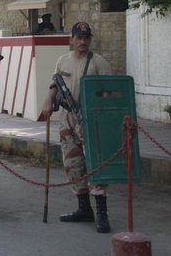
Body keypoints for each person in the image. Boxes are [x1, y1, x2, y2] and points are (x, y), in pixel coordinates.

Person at [39, 21, 113, 233]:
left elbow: (108, 92)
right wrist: (48, 101)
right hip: (67, 120)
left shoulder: (99, 63)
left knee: (95, 165)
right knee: (72, 163)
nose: (82, 41)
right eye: (78, 38)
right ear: (71, 39)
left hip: (90, 120)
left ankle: (101, 213)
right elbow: (54, 84)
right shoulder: (63, 60)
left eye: (86, 38)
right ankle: (84, 209)